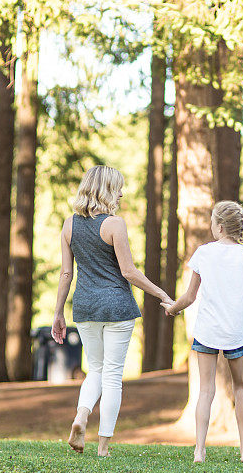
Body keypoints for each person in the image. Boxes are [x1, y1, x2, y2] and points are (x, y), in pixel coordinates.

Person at [52, 165, 173, 457]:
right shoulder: (115, 224)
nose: (121, 192)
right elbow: (129, 272)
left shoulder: (69, 224)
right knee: (113, 375)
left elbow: (66, 274)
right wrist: (162, 294)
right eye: (118, 187)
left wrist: (58, 312)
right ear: (107, 189)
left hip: (84, 307)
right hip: (117, 306)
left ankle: (81, 416)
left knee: (95, 368)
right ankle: (103, 447)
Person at [163, 200, 243, 464]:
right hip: (236, 331)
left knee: (206, 391)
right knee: (240, 387)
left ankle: (199, 451)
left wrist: (172, 309)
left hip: (207, 330)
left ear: (220, 227)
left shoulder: (203, 253)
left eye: (212, 222)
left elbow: (189, 296)